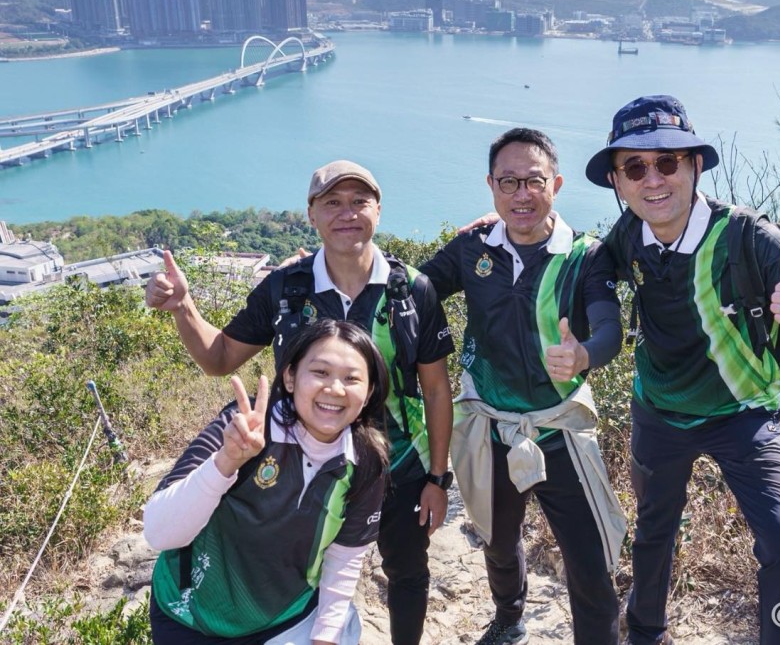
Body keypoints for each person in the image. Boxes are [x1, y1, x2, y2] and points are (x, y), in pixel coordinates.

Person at [583, 95, 780, 645]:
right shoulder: (628, 236)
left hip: (744, 416)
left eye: (668, 161)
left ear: (695, 166)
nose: (653, 179)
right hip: (658, 413)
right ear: (618, 182)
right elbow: (589, 264)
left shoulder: (749, 238)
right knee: (653, 535)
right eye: (634, 167)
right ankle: (645, 634)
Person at [145, 160, 455, 645]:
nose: (347, 213)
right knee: (305, 565)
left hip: (397, 462)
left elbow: (437, 389)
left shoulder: (410, 290)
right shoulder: (287, 288)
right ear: (311, 215)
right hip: (300, 461)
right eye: (332, 202)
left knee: (407, 570)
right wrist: (183, 307)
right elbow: (221, 358)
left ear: (378, 209)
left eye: (359, 202)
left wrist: (438, 477)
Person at [419, 128, 627, 645]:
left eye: (534, 181)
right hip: (490, 422)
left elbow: (609, 326)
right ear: (491, 186)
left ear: (554, 184)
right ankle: (509, 618)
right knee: (498, 539)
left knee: (588, 562)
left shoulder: (584, 256)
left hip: (558, 429)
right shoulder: (473, 247)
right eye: (508, 182)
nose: (521, 195)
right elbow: (418, 292)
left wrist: (583, 353)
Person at [144, 319, 390, 644]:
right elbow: (160, 533)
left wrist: (325, 637)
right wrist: (226, 462)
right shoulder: (243, 427)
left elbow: (344, 557)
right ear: (290, 377)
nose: (335, 389)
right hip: (191, 614)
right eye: (320, 372)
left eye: (352, 378)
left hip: (286, 616)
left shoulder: (366, 460)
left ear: (369, 391)